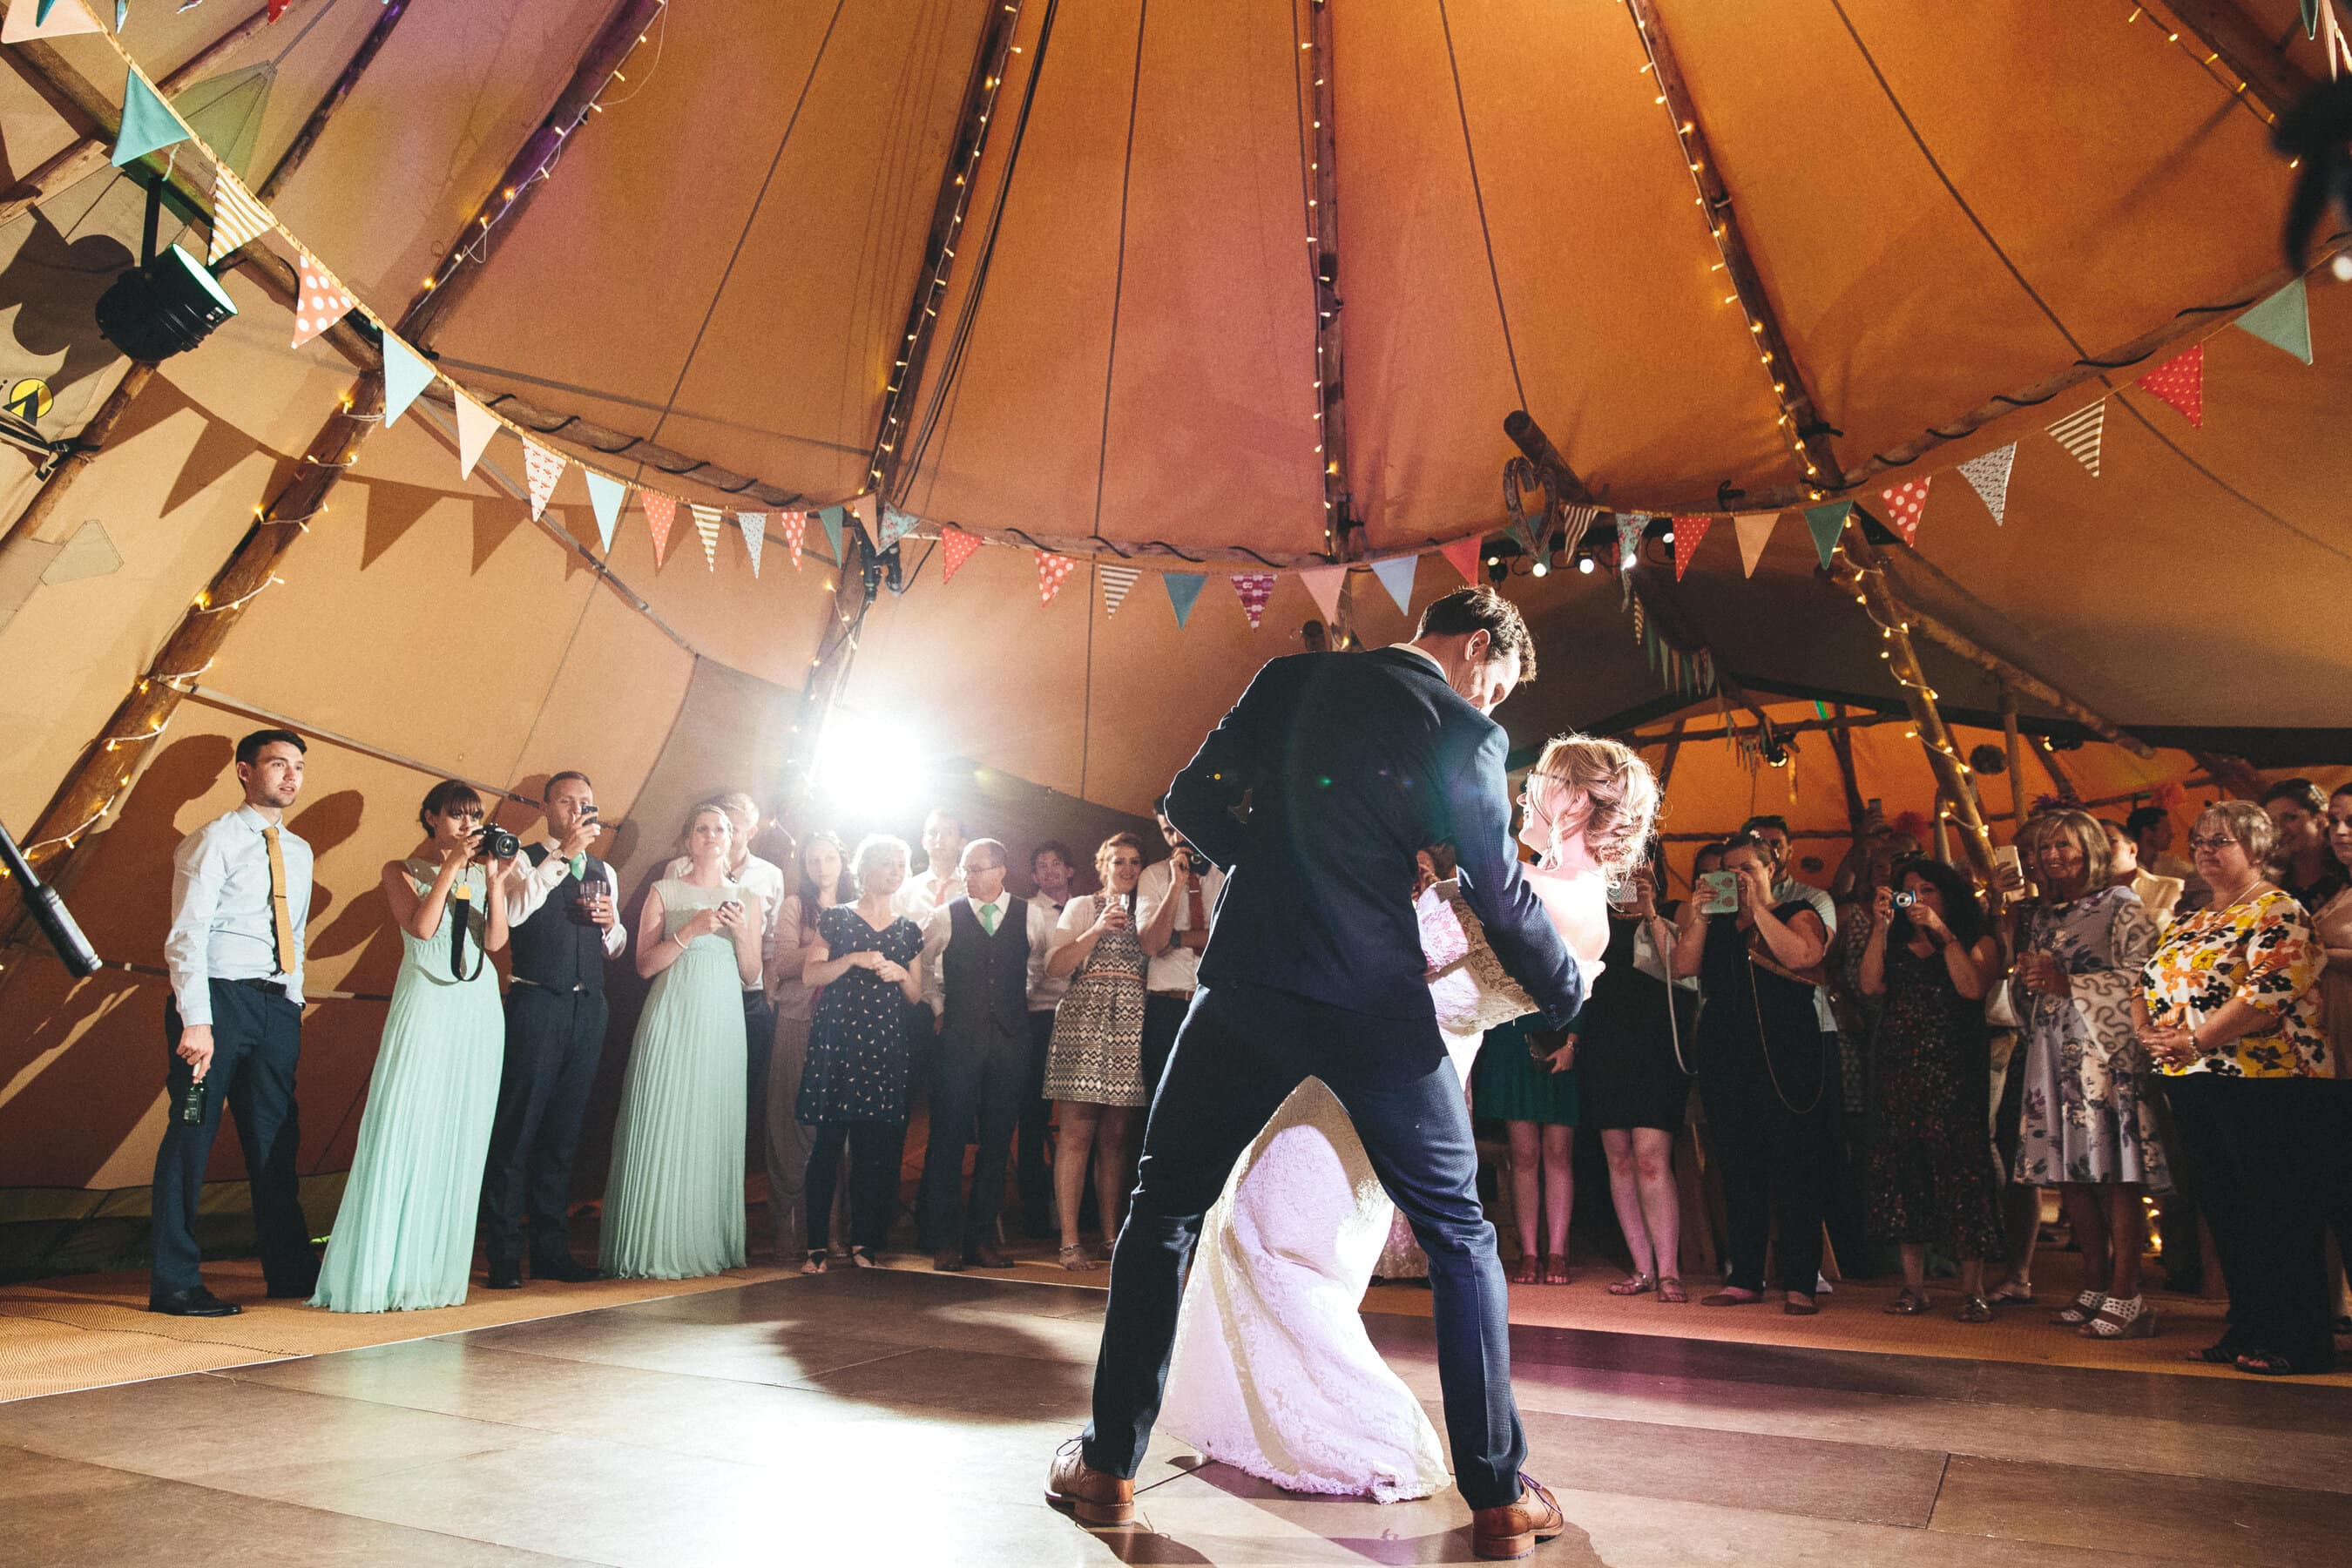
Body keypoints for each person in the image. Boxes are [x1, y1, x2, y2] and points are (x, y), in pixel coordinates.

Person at [1047, 588, 1585, 1561]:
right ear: (1474, 645)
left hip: (1250, 980)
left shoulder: (1290, 679)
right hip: (1374, 997)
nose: (1492, 705)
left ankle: (1108, 1468)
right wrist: (1566, 999)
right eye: (1496, 684)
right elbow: (1498, 892)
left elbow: (1190, 801)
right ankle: (1500, 1495)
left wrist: (1285, 869)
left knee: (1164, 1206)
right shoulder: (1462, 733)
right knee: (1462, 1233)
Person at [1161, 737, 1654, 1504]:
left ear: (1581, 802)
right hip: (1368, 1056)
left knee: (1281, 1235)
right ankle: (1275, 1424)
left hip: (1398, 1069)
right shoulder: (1528, 883)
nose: (1527, 792)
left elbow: (1429, 950)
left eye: (1546, 781)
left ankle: (1370, 1436)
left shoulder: (1557, 900)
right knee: (1262, 1225)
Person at [2139, 801, 2336, 1375]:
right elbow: (2145, 977)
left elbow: (2269, 991)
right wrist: (2148, 1032)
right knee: (2227, 1209)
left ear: (2256, 848)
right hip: (2196, 1079)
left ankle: (2300, 1339)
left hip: (2270, 1080)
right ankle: (2248, 1326)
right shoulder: (2194, 916)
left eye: (2220, 840)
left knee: (2279, 1210)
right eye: (2200, 840)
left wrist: (2197, 1040)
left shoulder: (2278, 910)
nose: (2205, 850)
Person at [312, 781, 512, 1312]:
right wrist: (450, 868)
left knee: (458, 1129)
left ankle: (433, 1272)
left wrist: (492, 877)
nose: (468, 826)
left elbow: (494, 943)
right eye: (456, 816)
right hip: (426, 999)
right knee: (406, 1120)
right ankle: (379, 1272)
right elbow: (422, 928)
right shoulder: (399, 869)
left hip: (476, 1005)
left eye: (474, 817)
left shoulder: (479, 869)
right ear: (430, 818)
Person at [152, 729, 320, 1316]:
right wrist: (196, 1020)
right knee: (191, 1136)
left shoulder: (298, 852)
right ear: (245, 771)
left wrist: (292, 999)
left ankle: (291, 1269)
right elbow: (187, 935)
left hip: (275, 1006)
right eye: (278, 764)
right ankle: (174, 1281)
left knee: (276, 1138)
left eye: (298, 767)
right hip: (217, 1001)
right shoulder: (212, 841)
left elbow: (294, 931)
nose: (291, 776)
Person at [2009, 808, 2167, 1340]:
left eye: (2064, 845)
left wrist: (2069, 984)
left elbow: (2143, 979)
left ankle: (2128, 1289)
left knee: (2114, 1169)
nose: (2052, 856)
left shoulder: (2120, 904)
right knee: (2067, 1169)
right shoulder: (2042, 913)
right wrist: (2030, 979)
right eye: (2044, 847)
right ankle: (2093, 1281)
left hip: (2103, 1049)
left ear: (2091, 849)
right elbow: (2035, 977)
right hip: (2052, 1044)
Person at [1672, 831, 1835, 1315]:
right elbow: (1682, 966)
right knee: (1737, 1165)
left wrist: (1758, 908)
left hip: (1787, 1055)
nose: (1738, 877)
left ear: (1773, 871)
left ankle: (1801, 1280)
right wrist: (1701, 916)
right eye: (1730, 870)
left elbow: (1804, 956)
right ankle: (1744, 1275)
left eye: (1749, 868)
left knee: (1794, 1166)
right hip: (1726, 1050)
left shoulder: (1795, 913)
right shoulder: (1715, 924)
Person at [600, 802, 764, 1280]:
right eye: (702, 828)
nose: (712, 835)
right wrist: (691, 931)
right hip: (672, 1015)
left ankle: (703, 1239)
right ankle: (653, 1241)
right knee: (664, 1115)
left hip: (722, 1022)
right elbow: (644, 965)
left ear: (732, 837)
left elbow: (751, 974)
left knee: (711, 1120)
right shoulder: (664, 890)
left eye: (721, 829)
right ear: (688, 839)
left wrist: (738, 935)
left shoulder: (747, 899)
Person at [483, 770, 623, 1289]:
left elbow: (617, 946)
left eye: (587, 802)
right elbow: (515, 914)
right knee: (519, 1129)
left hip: (589, 1009)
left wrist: (611, 924)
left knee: (564, 1134)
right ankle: (502, 1253)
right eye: (568, 802)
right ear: (547, 807)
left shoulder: (604, 869)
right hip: (537, 1000)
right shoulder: (518, 856)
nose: (579, 811)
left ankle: (551, 1250)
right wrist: (560, 856)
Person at [1857, 857, 2007, 1322]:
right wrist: (1881, 929)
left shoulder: (1976, 938)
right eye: (1908, 891)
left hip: (1955, 1068)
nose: (1917, 899)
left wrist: (1942, 931)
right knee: (1905, 1170)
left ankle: (1972, 1290)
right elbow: (1868, 985)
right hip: (1898, 1067)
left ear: (1949, 895)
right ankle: (1913, 1287)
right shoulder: (1896, 938)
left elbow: (1970, 987)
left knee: (1963, 1169)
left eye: (1928, 890)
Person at [916, 839, 1056, 1270]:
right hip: (959, 1039)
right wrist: (938, 1008)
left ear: (1000, 871)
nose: (967, 876)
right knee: (948, 1137)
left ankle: (981, 1240)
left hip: (1012, 1041)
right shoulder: (945, 916)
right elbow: (921, 966)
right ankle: (942, 1240)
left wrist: (1021, 1002)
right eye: (964, 869)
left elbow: (1040, 966)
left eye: (975, 868)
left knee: (998, 1140)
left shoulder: (1032, 916)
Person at [797, 835, 925, 1271]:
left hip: (883, 1045)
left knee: (875, 1150)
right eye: (888, 863)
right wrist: (852, 959)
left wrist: (896, 973)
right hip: (838, 1043)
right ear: (865, 869)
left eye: (902, 865)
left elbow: (916, 993)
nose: (895, 871)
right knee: (828, 1147)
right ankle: (816, 1245)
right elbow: (811, 973)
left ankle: (866, 1242)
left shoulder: (908, 930)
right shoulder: (837, 919)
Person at [1578, 855, 1696, 1304]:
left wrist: (1649, 912)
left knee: (1651, 1156)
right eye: (1624, 873)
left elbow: (1680, 968)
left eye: (1642, 872)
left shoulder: (1674, 914)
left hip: (1656, 1049)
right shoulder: (1596, 921)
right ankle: (1641, 1266)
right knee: (1619, 1158)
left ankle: (1669, 1270)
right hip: (1606, 1045)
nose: (1633, 881)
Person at [664, 790, 787, 1190]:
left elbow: (769, 943)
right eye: (711, 827)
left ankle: (717, 1197)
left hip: (746, 997)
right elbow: (665, 932)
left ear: (748, 830)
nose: (721, 835)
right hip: (691, 992)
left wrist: (766, 988)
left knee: (733, 1101)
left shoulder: (767, 875)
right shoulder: (677, 870)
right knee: (682, 1096)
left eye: (729, 826)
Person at [1043, 833, 1152, 1269]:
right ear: (1102, 865)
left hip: (1131, 1021)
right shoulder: (1082, 905)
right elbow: (1056, 965)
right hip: (1084, 1020)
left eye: (1135, 862)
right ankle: (1069, 1240)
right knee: (1076, 1132)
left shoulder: (1147, 909)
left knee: (1117, 1137)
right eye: (1118, 861)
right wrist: (1097, 927)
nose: (1126, 869)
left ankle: (1111, 1236)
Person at [763, 831, 844, 1262]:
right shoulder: (796, 905)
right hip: (798, 1018)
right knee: (791, 1122)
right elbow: (783, 962)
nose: (822, 866)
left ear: (842, 861)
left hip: (845, 1024)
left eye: (829, 857)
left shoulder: (855, 906)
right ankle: (788, 1226)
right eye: (813, 859)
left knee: (836, 1129)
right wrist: (831, 947)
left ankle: (831, 1229)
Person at [1136, 800, 1225, 1098]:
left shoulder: (1228, 873)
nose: (1176, 838)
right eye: (1167, 831)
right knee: (1161, 1104)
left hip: (1217, 1001)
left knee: (1213, 1099)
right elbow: (1151, 943)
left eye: (1179, 827)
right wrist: (1176, 885)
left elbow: (1232, 939)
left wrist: (1177, 939)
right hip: (1167, 1005)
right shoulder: (1153, 875)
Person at [1017, 840, 1078, 1236]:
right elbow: (1029, 967)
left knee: (1081, 1116)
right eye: (1042, 866)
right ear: (1035, 876)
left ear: (1070, 870)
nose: (1050, 871)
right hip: (1039, 1017)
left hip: (1081, 1018)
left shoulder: (1088, 906)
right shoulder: (1027, 911)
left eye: (1057, 864)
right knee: (1033, 1115)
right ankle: (1033, 1211)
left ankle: (1081, 1207)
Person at [2264, 780, 2346, 916]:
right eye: (2272, 822)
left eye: (2290, 818)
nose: (2280, 830)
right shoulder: (2271, 884)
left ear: (2320, 819)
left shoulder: (2345, 877)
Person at [2315, 786, 2352, 1061]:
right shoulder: (2341, 889)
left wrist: (2311, 955)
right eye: (2334, 821)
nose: (2340, 832)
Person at [894, 808, 969, 925]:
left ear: (961, 843)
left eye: (948, 833)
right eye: (933, 833)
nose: (939, 839)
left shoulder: (971, 890)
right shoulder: (904, 893)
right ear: (923, 842)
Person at [2105, 819, 2184, 929]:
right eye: (2091, 845)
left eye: (2108, 841)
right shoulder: (2081, 901)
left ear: (2132, 849)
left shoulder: (2173, 888)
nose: (2100, 850)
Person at [2128, 804, 2195, 884]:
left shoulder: (2170, 864)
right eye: (2166, 829)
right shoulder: (2124, 866)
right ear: (2147, 832)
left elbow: (2199, 877)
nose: (2171, 834)